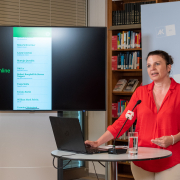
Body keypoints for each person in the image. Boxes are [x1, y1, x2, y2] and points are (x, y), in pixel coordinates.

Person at [85, 50, 180, 180]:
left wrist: (173, 139)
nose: (152, 68)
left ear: (168, 67)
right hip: (141, 159)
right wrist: (97, 142)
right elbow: (122, 122)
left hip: (172, 159)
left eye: (157, 64)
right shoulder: (140, 92)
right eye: (148, 65)